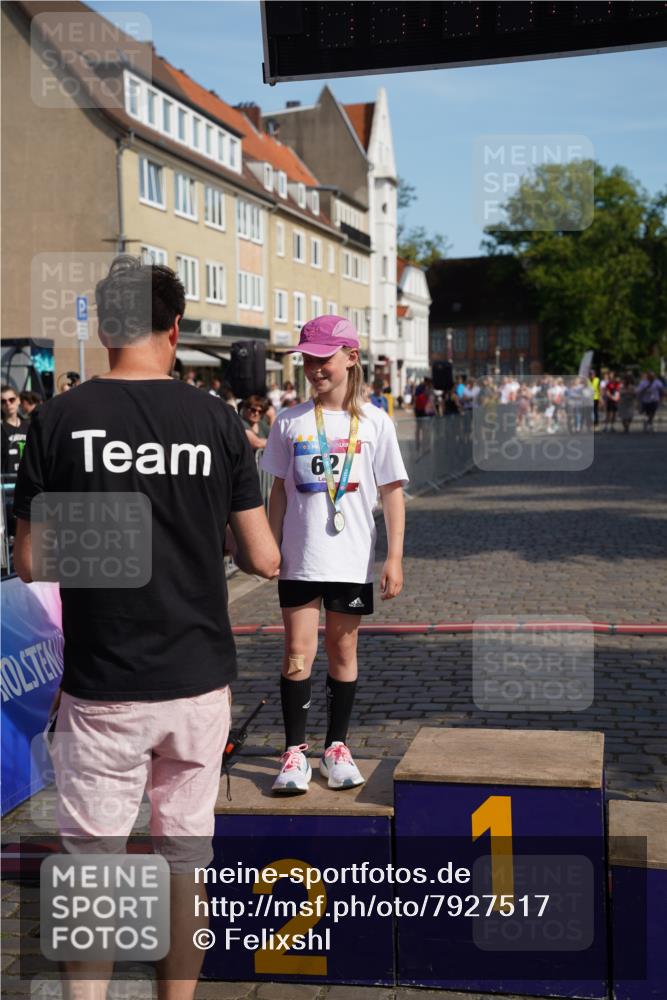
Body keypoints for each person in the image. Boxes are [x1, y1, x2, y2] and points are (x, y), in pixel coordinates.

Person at [12, 256, 280, 1000]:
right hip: (196, 684)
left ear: (103, 330)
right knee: (184, 861)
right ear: (173, 330)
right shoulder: (215, 418)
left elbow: (30, 561)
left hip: (105, 686)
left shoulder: (59, 418)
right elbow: (261, 557)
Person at [261, 315, 407, 795]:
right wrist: (270, 540)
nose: (314, 367)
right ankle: (295, 753)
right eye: (307, 358)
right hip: (300, 558)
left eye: (323, 358)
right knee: (297, 653)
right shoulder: (289, 421)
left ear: (351, 357)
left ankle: (337, 747)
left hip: (349, 560)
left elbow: (391, 493)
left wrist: (394, 557)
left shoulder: (376, 422)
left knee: (343, 649)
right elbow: (279, 491)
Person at [1, 385, 30, 474]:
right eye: (3, 401)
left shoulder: (29, 427)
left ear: (18, 400)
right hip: (6, 483)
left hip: (27, 481)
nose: (8, 403)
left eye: (11, 400)